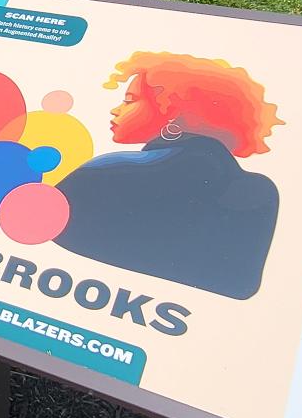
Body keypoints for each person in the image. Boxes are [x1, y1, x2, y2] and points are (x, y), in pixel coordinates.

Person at [54, 51, 283, 299]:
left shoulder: (104, 172)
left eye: (129, 101)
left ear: (173, 112)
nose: (116, 110)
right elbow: (240, 287)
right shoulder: (261, 192)